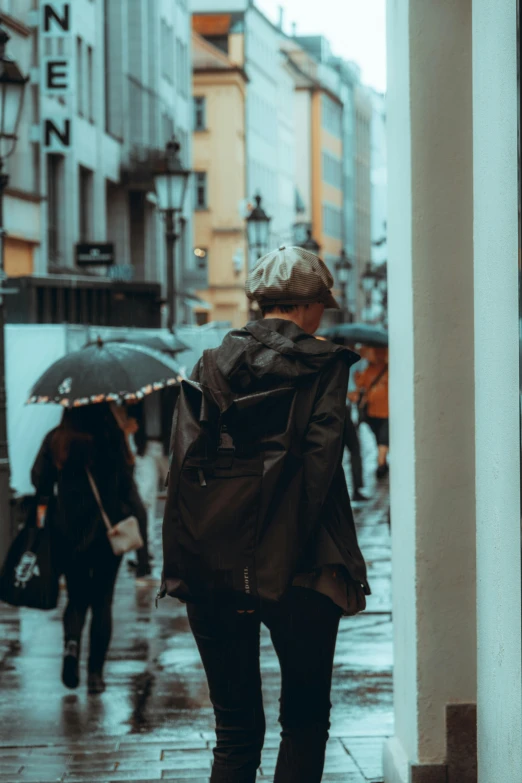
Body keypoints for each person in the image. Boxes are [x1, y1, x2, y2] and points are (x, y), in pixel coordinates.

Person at [162, 246, 370, 783]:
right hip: (303, 563)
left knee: (235, 735)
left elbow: (183, 465)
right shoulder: (324, 364)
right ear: (306, 307)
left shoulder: (208, 364)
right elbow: (319, 471)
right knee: (302, 723)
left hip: (218, 564)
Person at [31, 403, 148, 694]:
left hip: (69, 532)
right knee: (102, 602)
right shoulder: (111, 437)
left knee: (76, 598)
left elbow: (38, 478)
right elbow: (127, 483)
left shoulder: (58, 438)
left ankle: (71, 645)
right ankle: (95, 675)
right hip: (109, 533)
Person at [354, 346, 389, 479]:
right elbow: (360, 386)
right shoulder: (368, 369)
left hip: (387, 412)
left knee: (383, 439)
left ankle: (381, 463)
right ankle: (383, 462)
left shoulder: (389, 369)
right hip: (372, 412)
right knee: (379, 439)